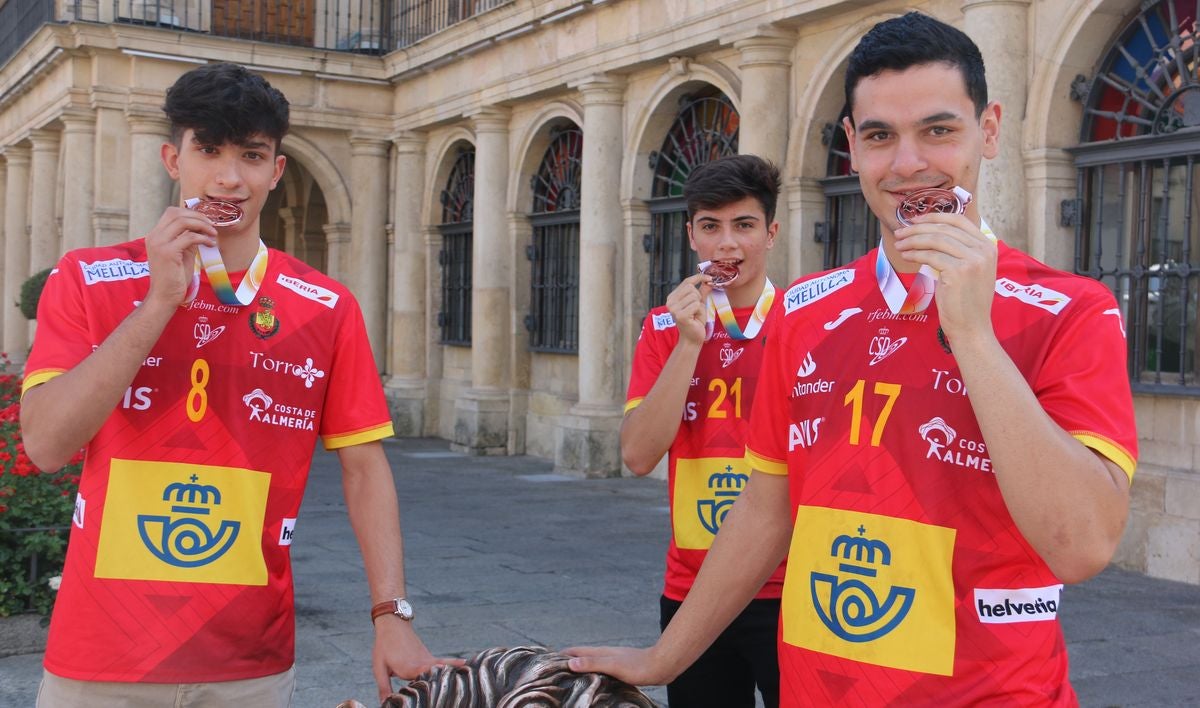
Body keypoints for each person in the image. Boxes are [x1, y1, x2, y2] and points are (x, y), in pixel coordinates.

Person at [567, 12, 1138, 706]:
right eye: (879, 136)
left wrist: (974, 336)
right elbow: (766, 509)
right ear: (851, 147)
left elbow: (1080, 547)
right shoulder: (804, 312)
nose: (907, 165)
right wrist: (666, 656)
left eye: (938, 130)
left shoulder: (1068, 309)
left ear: (988, 131)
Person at [20, 62, 457, 706]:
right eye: (209, 150)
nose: (229, 176)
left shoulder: (325, 306)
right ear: (175, 158)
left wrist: (391, 614)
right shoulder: (88, 279)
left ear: (276, 172)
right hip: (101, 659)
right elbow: (47, 444)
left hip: (249, 664)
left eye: (252, 155)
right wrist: (158, 303)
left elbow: (364, 467)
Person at [621, 154, 786, 707]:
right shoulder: (665, 326)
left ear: (771, 233)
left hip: (789, 582)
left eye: (744, 226)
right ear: (691, 234)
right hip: (690, 584)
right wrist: (691, 342)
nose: (727, 245)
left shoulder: (806, 320)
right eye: (711, 227)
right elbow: (639, 454)